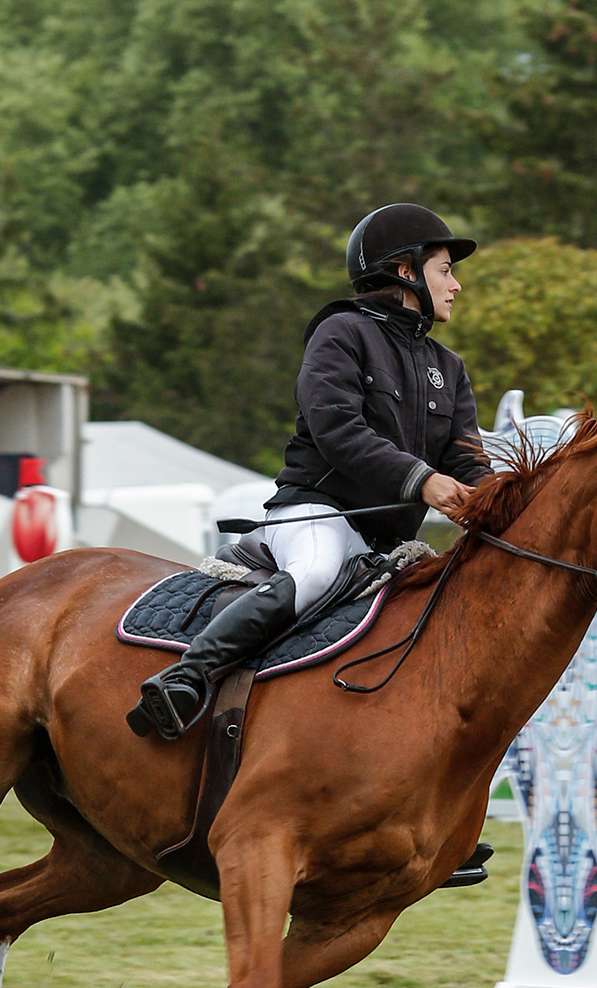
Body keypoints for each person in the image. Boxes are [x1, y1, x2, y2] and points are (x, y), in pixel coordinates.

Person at [129, 203, 492, 740]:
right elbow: (338, 431)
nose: (456, 285)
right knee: (318, 572)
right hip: (317, 511)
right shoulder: (341, 332)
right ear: (405, 271)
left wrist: (500, 500)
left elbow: (466, 460)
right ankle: (187, 677)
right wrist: (422, 480)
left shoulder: (449, 368)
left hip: (386, 541)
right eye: (445, 270)